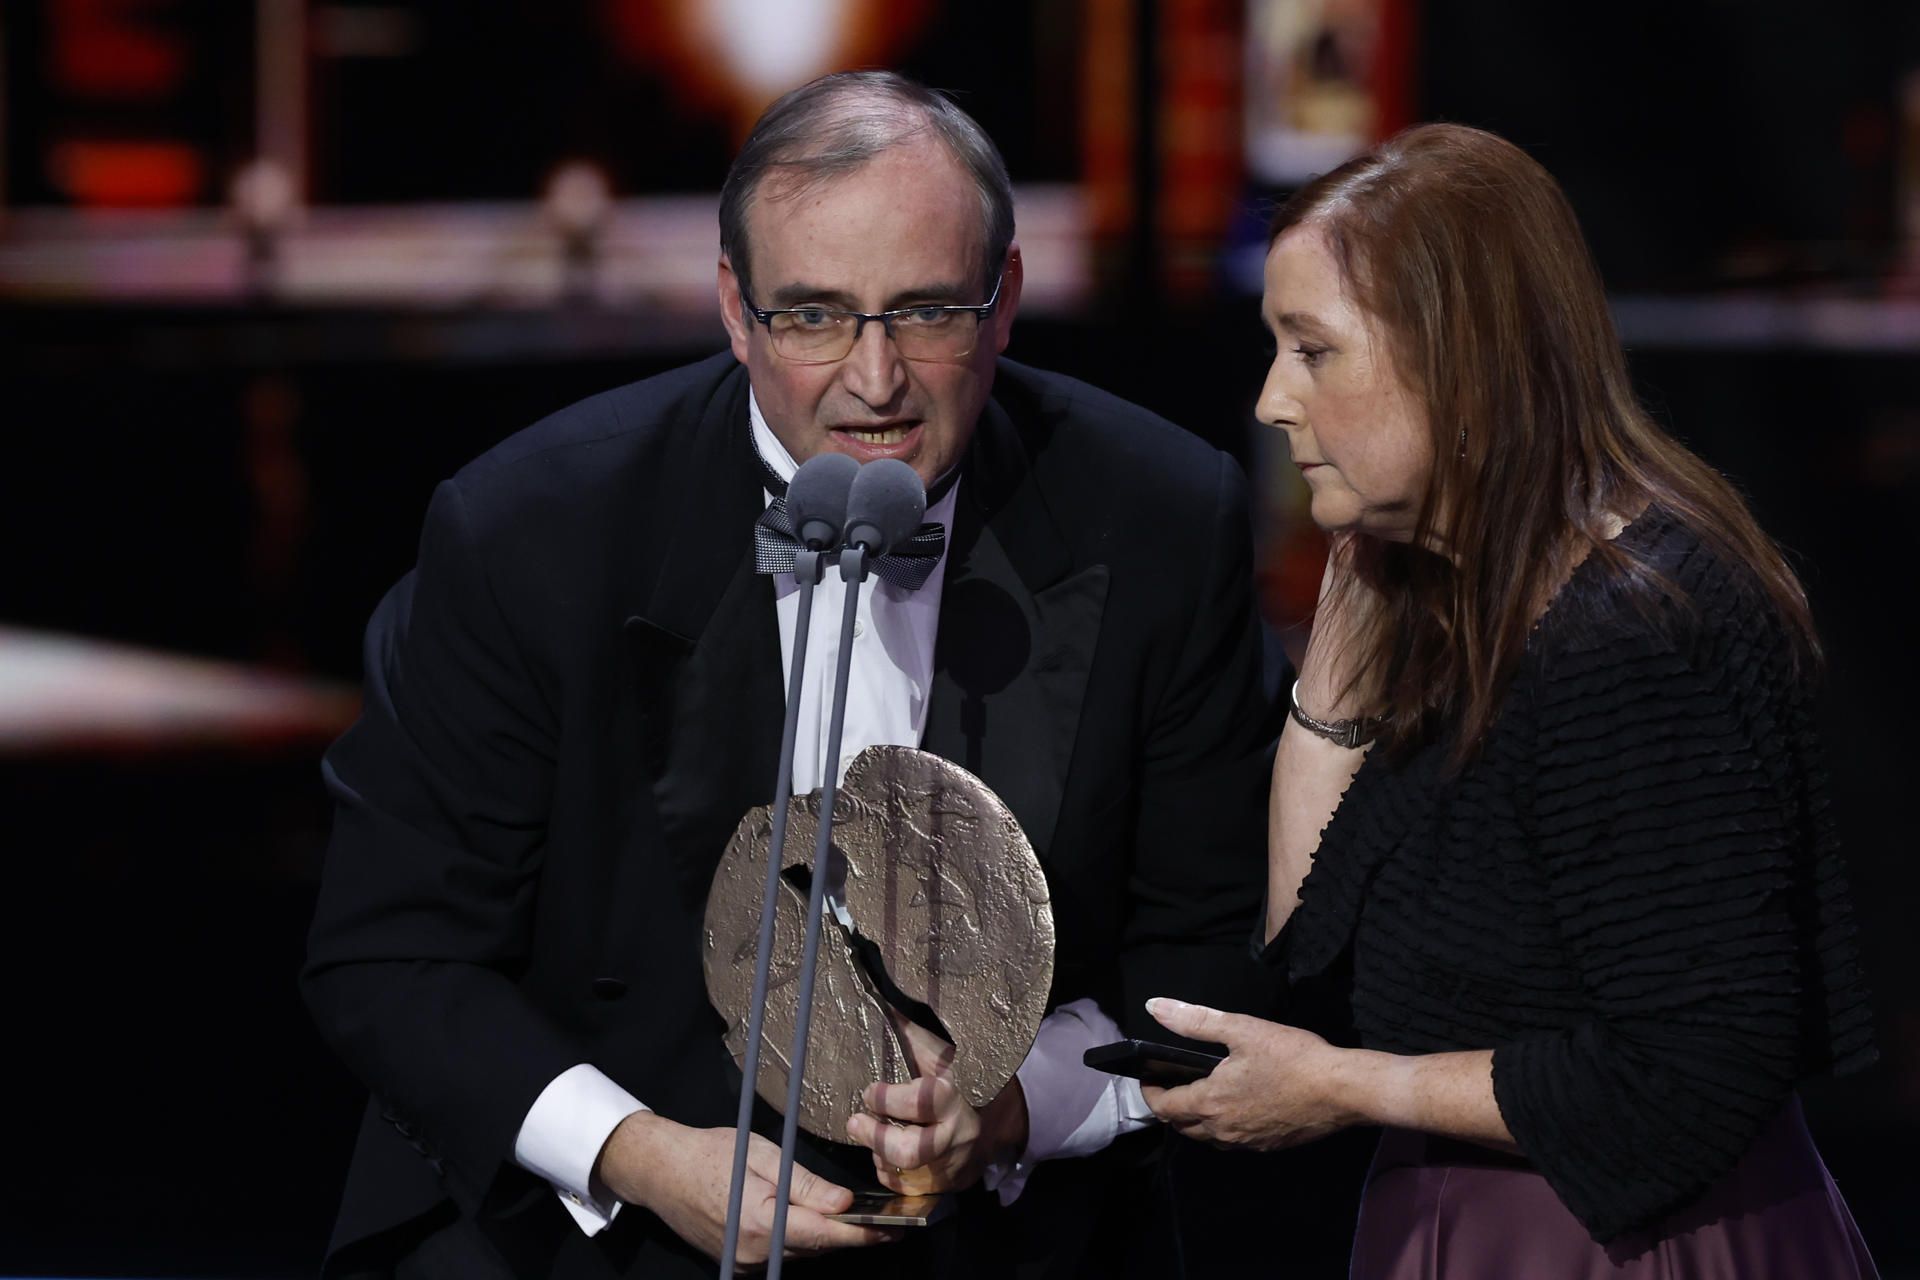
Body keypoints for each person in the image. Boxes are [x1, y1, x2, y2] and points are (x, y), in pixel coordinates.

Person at [301, 71, 1275, 1279]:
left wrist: (1015, 1105)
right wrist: (640, 1151)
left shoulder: (1160, 517)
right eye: (814, 316)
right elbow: (391, 952)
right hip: (602, 1227)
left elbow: (1214, 943)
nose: (875, 381)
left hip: (1006, 1237)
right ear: (733, 308)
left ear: (1006, 298)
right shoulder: (532, 531)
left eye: (926, 312)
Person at [1141, 122, 1881, 1276]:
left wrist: (1339, 1087)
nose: (1275, 399)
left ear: (1461, 359)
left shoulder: (1635, 633)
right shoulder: (1442, 591)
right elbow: (1307, 945)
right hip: (1467, 1219)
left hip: (1626, 1240)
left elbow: (1697, 1065)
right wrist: (1336, 667)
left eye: (1316, 350)